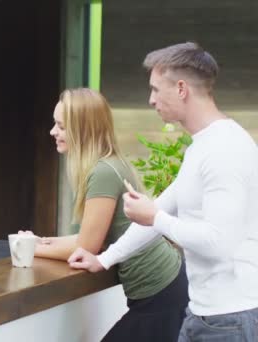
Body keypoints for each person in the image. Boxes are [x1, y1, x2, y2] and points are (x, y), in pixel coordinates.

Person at [68, 42, 258, 341]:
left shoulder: (225, 150)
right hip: (203, 316)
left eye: (156, 89)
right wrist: (105, 259)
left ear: (181, 88)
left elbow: (218, 242)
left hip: (229, 320)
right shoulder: (203, 147)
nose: (151, 100)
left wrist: (155, 218)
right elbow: (160, 210)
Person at [20, 88, 188, 341]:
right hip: (163, 289)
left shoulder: (103, 172)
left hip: (161, 294)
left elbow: (87, 246)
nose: (53, 132)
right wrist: (42, 242)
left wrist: (31, 249)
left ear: (82, 129)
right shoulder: (108, 164)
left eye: (61, 126)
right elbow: (94, 237)